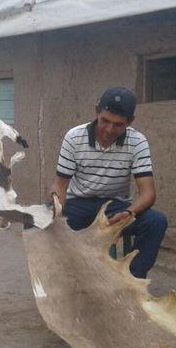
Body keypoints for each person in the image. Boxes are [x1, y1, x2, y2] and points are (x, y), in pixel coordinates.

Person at [49, 86, 168, 278]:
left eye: (118, 124)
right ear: (97, 111)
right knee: (39, 221)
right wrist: (57, 210)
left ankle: (132, 279)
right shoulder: (74, 137)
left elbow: (148, 193)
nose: (109, 129)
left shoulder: (137, 142)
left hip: (116, 208)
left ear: (130, 122)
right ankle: (59, 278)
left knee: (156, 222)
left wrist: (128, 213)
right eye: (104, 120)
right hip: (78, 205)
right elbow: (60, 185)